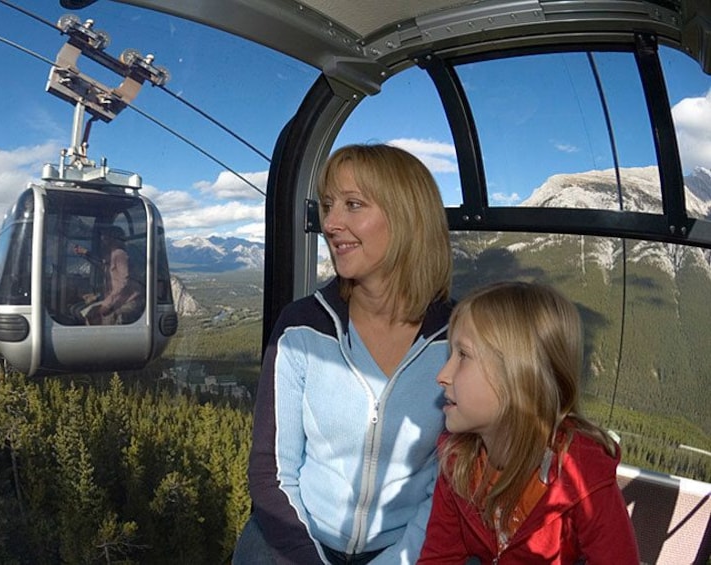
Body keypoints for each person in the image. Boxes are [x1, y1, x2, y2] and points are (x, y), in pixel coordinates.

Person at [235, 143, 454, 564]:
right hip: (296, 538)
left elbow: (451, 482)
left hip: (410, 547)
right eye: (329, 205)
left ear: (408, 217)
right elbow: (271, 471)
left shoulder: (459, 339)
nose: (331, 223)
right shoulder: (301, 327)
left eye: (353, 205)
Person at [418, 282, 638, 564]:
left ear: (518, 378)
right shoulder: (458, 461)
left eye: (462, 356)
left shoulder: (581, 475)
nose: (442, 375)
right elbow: (439, 557)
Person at [72, 225, 144, 325]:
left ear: (113, 238)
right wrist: (86, 253)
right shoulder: (112, 254)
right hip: (117, 298)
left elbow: (123, 282)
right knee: (85, 311)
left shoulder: (120, 254)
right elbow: (104, 266)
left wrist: (107, 304)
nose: (102, 239)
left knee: (96, 315)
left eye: (105, 236)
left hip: (128, 300)